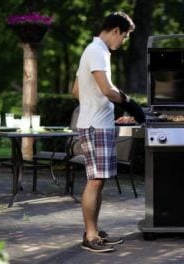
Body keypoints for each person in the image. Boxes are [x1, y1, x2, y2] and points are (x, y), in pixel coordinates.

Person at [72, 11, 144, 253]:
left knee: (99, 181)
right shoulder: (98, 52)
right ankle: (90, 237)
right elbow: (108, 89)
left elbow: (75, 90)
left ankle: (93, 230)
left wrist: (99, 105)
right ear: (115, 31)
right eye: (123, 36)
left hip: (96, 122)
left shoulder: (93, 51)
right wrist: (130, 103)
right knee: (95, 181)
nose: (122, 42)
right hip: (95, 126)